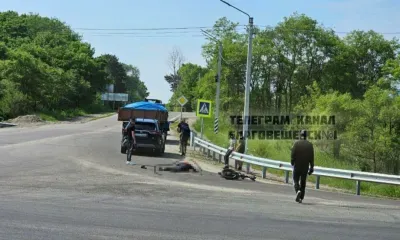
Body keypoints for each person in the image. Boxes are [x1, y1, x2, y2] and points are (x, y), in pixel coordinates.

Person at [291, 129, 314, 203]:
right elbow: (311, 157)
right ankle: (301, 197)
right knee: (303, 182)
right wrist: (312, 167)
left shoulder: (296, 143)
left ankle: (298, 190)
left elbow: (293, 154)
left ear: (300, 135)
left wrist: (292, 162)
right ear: (306, 135)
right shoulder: (310, 145)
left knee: (295, 180)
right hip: (305, 166)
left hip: (297, 165)